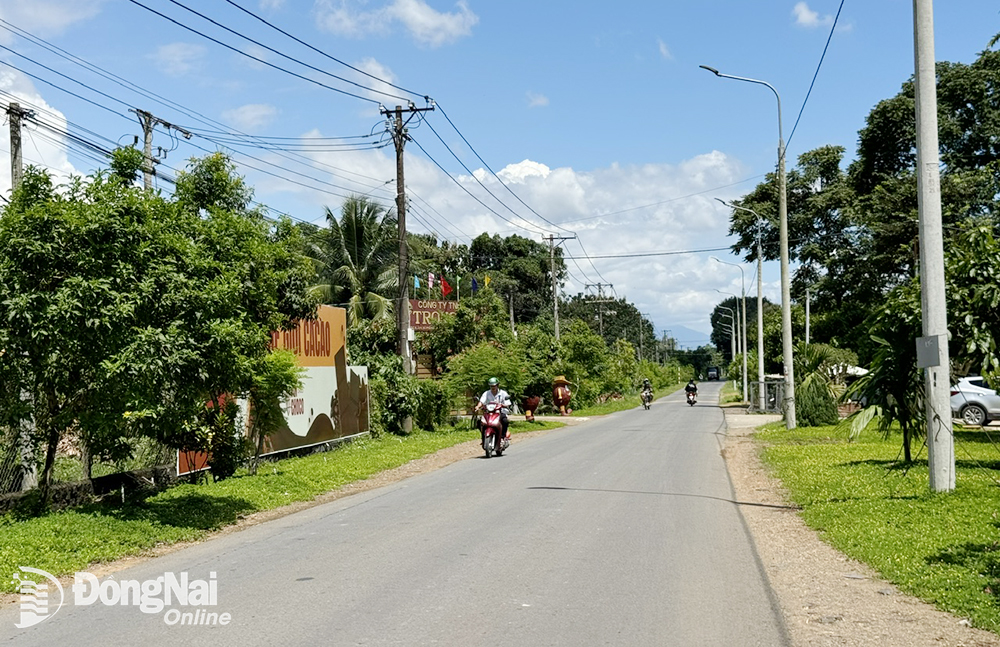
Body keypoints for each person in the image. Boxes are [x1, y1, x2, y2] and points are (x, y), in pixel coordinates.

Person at [475, 377, 511, 445]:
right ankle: (484, 437)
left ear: (497, 385)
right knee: (480, 422)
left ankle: (502, 437)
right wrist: (478, 406)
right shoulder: (486, 393)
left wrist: (503, 405)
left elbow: (508, 403)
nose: (493, 388)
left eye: (494, 386)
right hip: (489, 413)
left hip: (500, 412)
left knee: (505, 421)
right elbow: (482, 401)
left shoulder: (503, 393)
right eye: (491, 386)